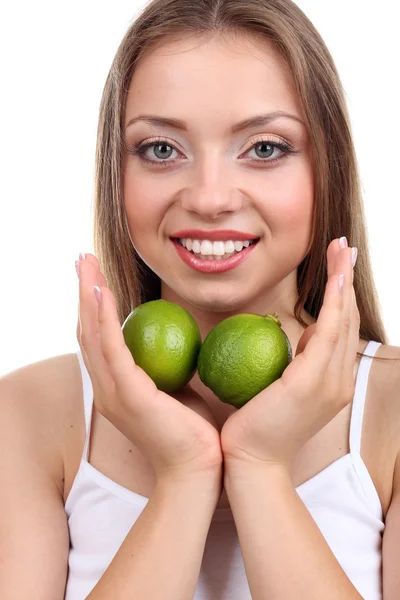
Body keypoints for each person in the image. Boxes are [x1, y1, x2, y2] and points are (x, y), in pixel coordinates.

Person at [1, 0, 400, 598]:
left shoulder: (392, 414)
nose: (210, 198)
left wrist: (260, 469)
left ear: (328, 168)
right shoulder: (26, 414)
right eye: (161, 149)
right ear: (118, 173)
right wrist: (184, 474)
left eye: (265, 148)